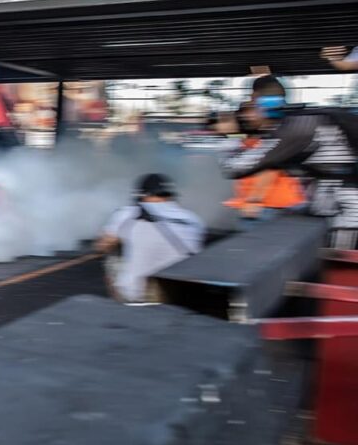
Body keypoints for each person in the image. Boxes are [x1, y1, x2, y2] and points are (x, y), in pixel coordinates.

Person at [222, 75, 358, 249]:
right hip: (332, 205)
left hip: (345, 212)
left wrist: (232, 133)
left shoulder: (295, 128)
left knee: (339, 266)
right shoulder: (312, 119)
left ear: (264, 103)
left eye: (253, 105)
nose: (249, 113)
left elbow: (234, 167)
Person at [97, 173, 205, 304]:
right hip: (183, 294)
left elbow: (103, 245)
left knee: (112, 255)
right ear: (170, 195)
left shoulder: (129, 213)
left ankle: (122, 306)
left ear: (142, 195)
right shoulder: (193, 220)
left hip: (141, 295)